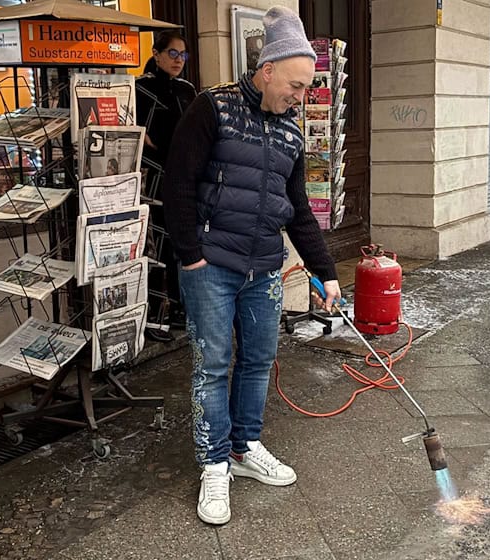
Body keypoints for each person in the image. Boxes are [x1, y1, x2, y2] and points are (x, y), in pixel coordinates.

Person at [163, 6, 342, 526]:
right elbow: (177, 187)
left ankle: (244, 448)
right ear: (267, 70)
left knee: (258, 362)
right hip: (211, 266)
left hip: (263, 266)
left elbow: (300, 209)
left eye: (307, 88)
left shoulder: (290, 131)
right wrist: (191, 257)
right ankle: (214, 463)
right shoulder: (210, 108)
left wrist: (325, 271)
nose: (300, 97)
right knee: (213, 365)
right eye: (295, 85)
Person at [137, 31, 197, 341]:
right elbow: (138, 135)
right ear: (157, 53)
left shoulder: (187, 90)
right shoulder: (141, 88)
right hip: (155, 177)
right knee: (156, 243)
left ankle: (180, 308)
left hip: (186, 177)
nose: (178, 60)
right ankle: (156, 312)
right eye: (172, 53)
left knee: (182, 241)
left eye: (183, 55)